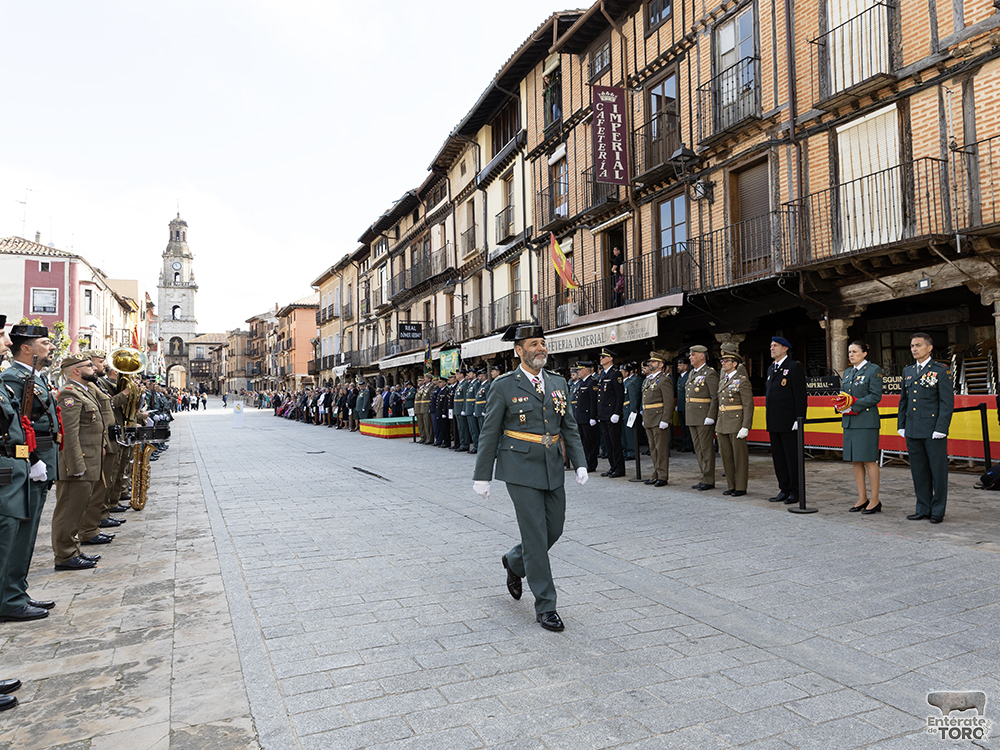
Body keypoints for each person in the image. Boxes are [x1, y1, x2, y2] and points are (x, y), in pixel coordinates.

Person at [473, 324, 587, 632]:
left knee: (555, 528)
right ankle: (546, 606)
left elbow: (569, 426)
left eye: (543, 343)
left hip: (552, 464)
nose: (540, 348)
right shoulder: (504, 386)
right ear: (518, 351)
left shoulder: (558, 382)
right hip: (519, 467)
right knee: (536, 534)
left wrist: (580, 463)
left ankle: (514, 561)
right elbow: (490, 432)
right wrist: (483, 475)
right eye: (533, 344)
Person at [0, 323, 60, 620]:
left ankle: (17, 591)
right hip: (24, 463)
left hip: (37, 460)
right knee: (19, 533)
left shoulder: (36, 378)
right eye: (44, 343)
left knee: (28, 530)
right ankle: (11, 595)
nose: (50, 347)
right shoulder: (13, 377)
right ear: (27, 348)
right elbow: (17, 429)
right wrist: (31, 458)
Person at [52, 355, 109, 570]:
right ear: (76, 370)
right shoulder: (69, 394)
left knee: (76, 510)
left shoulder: (83, 391)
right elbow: (69, 434)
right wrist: (75, 466)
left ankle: (73, 550)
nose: (94, 368)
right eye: (89, 366)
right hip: (78, 464)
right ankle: (65, 555)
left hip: (89, 461)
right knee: (68, 511)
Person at [0, 314, 28, 706]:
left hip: (13, 470)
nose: (5, 343)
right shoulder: (11, 379)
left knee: (16, 537)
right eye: (1, 336)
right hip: (7, 473)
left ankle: (13, 593)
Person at [897, 332, 954, 523]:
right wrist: (902, 424)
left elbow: (946, 402)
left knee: (937, 471)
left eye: (918, 345)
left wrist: (941, 428)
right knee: (919, 471)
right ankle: (923, 507)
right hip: (913, 428)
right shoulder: (908, 371)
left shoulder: (940, 370)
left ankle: (938, 509)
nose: (914, 349)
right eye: (912, 345)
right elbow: (903, 401)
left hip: (932, 429)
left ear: (929, 348)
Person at [839, 341, 885, 513]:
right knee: (855, 460)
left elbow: (875, 396)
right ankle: (862, 498)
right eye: (849, 352)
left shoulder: (873, 370)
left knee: (868, 460)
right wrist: (840, 404)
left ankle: (875, 500)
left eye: (855, 351)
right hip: (850, 421)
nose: (851, 355)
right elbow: (844, 394)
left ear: (865, 353)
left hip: (866, 421)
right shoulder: (848, 372)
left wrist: (854, 405)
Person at [765, 336, 808, 504]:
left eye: (775, 346)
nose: (772, 348)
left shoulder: (794, 367)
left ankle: (795, 491)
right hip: (774, 420)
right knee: (778, 457)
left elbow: (800, 396)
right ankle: (783, 488)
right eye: (771, 346)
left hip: (790, 421)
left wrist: (800, 418)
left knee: (792, 457)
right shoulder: (771, 369)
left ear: (785, 348)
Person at [716, 350, 754, 497]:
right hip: (723, 422)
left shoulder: (742, 380)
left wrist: (746, 426)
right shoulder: (723, 380)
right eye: (722, 361)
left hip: (736, 422)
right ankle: (731, 485)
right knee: (726, 456)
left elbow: (748, 405)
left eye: (726, 361)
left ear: (735, 363)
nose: (723, 363)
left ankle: (740, 487)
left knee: (739, 457)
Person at [685, 345, 719, 490]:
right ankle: (703, 476)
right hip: (693, 416)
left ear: (702, 356)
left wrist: (711, 416)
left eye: (693, 355)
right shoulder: (692, 373)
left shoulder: (710, 373)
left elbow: (715, 397)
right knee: (698, 449)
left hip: (704, 416)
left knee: (706, 449)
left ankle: (709, 479)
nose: (690, 357)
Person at [641, 351, 674, 487]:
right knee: (653, 448)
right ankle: (656, 473)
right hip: (649, 417)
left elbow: (668, 402)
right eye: (650, 362)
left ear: (660, 365)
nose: (650, 363)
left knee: (661, 449)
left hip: (658, 417)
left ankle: (663, 476)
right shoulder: (648, 379)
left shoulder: (664, 380)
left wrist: (665, 419)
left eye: (653, 362)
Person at [596, 348, 625, 478]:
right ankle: (612, 466)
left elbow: (619, 395)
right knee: (607, 444)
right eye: (601, 357)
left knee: (615, 443)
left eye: (603, 357)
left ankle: (619, 468)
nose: (601, 358)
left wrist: (617, 413)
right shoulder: (602, 374)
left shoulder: (615, 374)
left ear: (610, 358)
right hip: (604, 414)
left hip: (612, 414)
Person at [573, 361, 599, 472]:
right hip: (581, 417)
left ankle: (591, 463)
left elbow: (594, 401)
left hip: (588, 417)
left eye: (580, 369)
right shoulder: (582, 383)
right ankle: (586, 462)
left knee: (590, 442)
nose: (577, 371)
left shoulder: (591, 382)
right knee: (583, 442)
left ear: (587, 369)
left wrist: (593, 416)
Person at [621, 362, 641, 461]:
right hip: (622, 411)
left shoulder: (630, 383)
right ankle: (626, 450)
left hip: (628, 410)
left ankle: (631, 451)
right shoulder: (623, 382)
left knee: (629, 433)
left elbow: (633, 398)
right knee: (624, 433)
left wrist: (633, 411)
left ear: (627, 373)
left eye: (622, 371)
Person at [673, 358, 693, 452]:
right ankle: (685, 444)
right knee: (683, 427)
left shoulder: (688, 376)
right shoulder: (680, 377)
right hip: (681, 405)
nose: (678, 367)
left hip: (687, 405)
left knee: (688, 427)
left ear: (686, 366)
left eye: (680, 365)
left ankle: (689, 445)